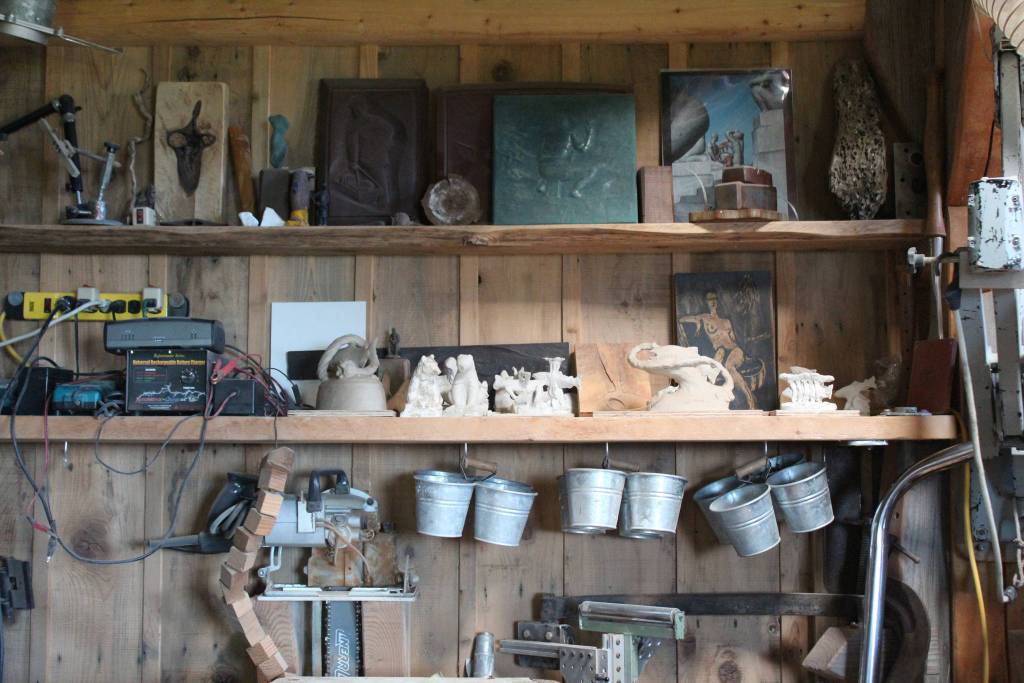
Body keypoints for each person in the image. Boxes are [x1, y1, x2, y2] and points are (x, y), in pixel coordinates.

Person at [678, 290, 757, 408]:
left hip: (735, 350)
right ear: (706, 302)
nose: (713, 301)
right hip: (720, 351)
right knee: (715, 362)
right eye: (710, 299)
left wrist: (745, 356)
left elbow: (734, 340)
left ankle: (750, 399)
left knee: (729, 366)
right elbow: (681, 319)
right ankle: (707, 401)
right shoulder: (704, 318)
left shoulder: (726, 321)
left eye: (714, 298)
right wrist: (697, 323)